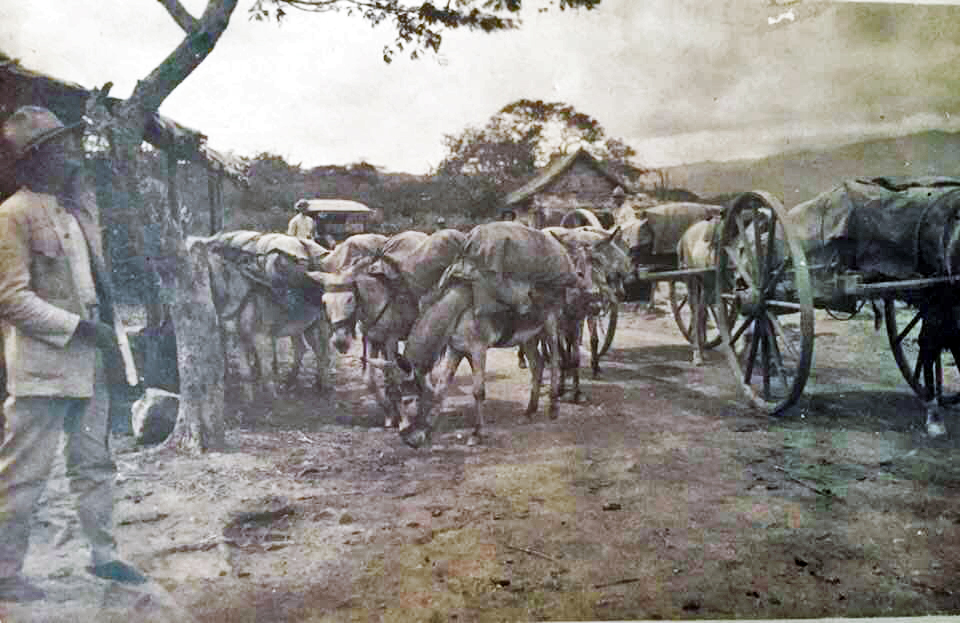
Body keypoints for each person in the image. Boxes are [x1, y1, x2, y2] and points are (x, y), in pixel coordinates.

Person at [0, 106, 147, 602]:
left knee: (95, 464)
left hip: (91, 364)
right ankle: (4, 572)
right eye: (60, 146)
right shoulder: (13, 214)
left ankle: (103, 556)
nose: (71, 153)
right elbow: (10, 298)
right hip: (43, 366)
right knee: (23, 474)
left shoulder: (77, 211)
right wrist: (80, 327)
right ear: (36, 157)